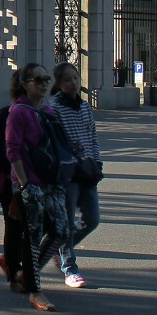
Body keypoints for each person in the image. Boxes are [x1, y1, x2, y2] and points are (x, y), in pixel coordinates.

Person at [6, 62, 69, 311]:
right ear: (25, 84)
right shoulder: (18, 112)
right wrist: (24, 184)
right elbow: (12, 150)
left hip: (52, 181)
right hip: (29, 183)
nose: (44, 84)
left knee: (61, 230)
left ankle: (25, 274)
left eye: (46, 80)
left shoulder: (48, 111)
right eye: (38, 80)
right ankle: (35, 290)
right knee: (31, 236)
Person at [47, 61, 101, 289]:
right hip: (68, 172)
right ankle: (70, 268)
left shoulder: (85, 107)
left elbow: (92, 136)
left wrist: (96, 160)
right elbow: (55, 141)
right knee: (68, 222)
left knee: (92, 219)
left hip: (88, 169)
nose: (73, 83)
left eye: (76, 78)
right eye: (67, 80)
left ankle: (59, 248)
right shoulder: (54, 107)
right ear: (58, 84)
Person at [0, 69, 33, 293]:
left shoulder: (44, 112)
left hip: (36, 179)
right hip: (10, 180)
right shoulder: (7, 113)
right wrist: (13, 174)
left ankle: (19, 268)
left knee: (30, 225)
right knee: (15, 224)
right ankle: (15, 272)